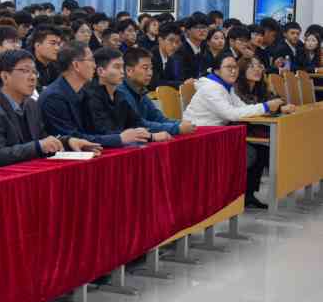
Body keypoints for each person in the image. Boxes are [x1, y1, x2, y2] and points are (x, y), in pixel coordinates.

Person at [183, 53, 295, 209]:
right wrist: (265, 107)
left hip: (217, 134)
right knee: (251, 152)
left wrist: (273, 108)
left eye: (235, 67)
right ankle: (228, 197)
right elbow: (231, 114)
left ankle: (247, 196)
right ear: (217, 71)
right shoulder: (211, 88)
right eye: (229, 67)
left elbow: (243, 108)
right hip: (200, 137)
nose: (234, 71)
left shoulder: (225, 87)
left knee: (260, 149)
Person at [0, 49, 100, 166]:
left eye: (34, 72)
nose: (33, 77)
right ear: (5, 77)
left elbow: (43, 139)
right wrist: (38, 146)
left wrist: (68, 142)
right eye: (25, 71)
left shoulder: (31, 104)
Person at [40, 42, 151, 147]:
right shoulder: (54, 97)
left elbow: (94, 132)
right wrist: (119, 138)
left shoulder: (85, 93)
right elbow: (72, 138)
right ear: (76, 65)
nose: (94, 65)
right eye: (91, 60)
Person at [82, 48, 171, 143]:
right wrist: (150, 136)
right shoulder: (90, 97)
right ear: (101, 71)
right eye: (117, 67)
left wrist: (150, 135)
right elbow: (106, 132)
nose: (122, 72)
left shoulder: (119, 95)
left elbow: (137, 123)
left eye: (122, 67)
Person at [117, 47, 194, 137]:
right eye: (145, 68)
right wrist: (177, 128)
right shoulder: (121, 93)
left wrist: (181, 123)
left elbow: (158, 118)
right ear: (129, 71)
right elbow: (139, 125)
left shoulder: (141, 92)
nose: (150, 73)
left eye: (151, 68)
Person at [149, 22, 186, 91]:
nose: (174, 45)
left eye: (177, 42)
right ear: (160, 40)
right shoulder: (150, 57)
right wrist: (181, 83)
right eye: (171, 40)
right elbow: (154, 83)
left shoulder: (175, 58)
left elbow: (176, 79)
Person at [30, 26, 62, 91]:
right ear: (37, 45)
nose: (57, 48)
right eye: (53, 43)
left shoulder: (55, 66)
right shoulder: (26, 66)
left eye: (58, 44)